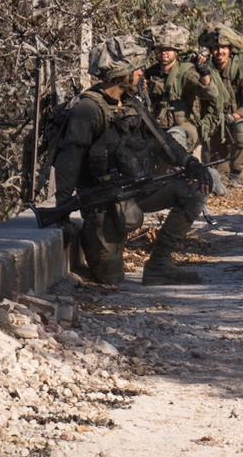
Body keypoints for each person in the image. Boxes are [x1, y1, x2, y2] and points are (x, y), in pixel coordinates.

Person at [51, 37, 203, 286]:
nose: (142, 73)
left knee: (191, 193)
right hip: (105, 204)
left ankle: (160, 265)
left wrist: (189, 163)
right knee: (111, 278)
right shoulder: (88, 109)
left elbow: (161, 140)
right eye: (137, 69)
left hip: (137, 190)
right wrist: (63, 210)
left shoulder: (133, 104)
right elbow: (70, 160)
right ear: (121, 73)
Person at [143, 23, 206, 151]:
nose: (164, 53)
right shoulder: (150, 73)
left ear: (176, 51)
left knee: (174, 141)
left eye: (168, 49)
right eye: (160, 49)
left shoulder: (186, 72)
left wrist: (205, 74)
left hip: (183, 129)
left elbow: (209, 93)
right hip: (157, 127)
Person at [211, 27, 243, 178]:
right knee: (219, 173)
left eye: (223, 48)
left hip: (236, 122)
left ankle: (242, 169)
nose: (219, 52)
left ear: (230, 49)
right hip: (214, 125)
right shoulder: (206, 69)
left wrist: (235, 116)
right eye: (215, 48)